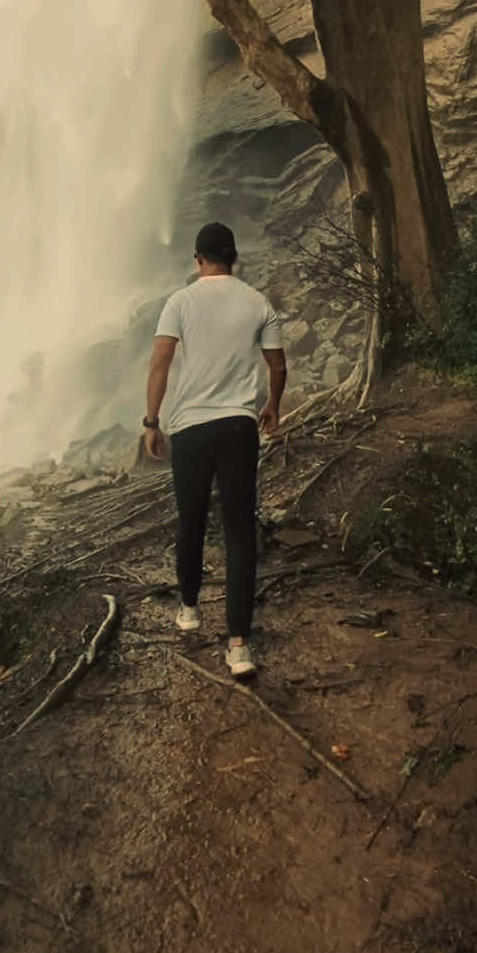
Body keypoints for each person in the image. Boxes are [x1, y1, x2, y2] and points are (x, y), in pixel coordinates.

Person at [143, 222, 287, 678]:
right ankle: (239, 647)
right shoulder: (257, 301)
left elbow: (161, 361)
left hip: (190, 429)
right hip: (237, 427)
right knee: (240, 532)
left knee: (192, 519)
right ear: (235, 257)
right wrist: (273, 407)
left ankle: (189, 608)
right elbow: (277, 364)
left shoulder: (180, 301)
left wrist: (152, 421)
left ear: (197, 259)